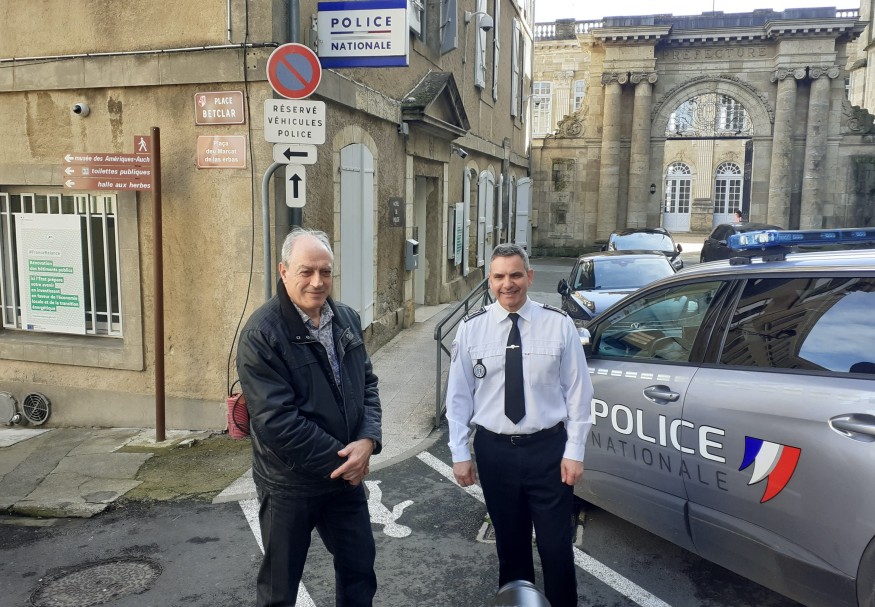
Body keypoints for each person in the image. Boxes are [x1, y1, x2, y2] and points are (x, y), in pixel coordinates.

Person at [237, 228, 382, 607]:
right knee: (279, 589)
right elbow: (277, 421)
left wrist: (368, 439)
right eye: (306, 271)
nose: (317, 282)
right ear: (284, 271)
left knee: (359, 571)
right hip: (290, 485)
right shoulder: (262, 334)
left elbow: (367, 384)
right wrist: (347, 462)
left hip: (343, 482)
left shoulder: (346, 319)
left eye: (325, 271)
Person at [446, 243, 594, 607]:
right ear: (490, 280)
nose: (507, 284)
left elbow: (579, 393)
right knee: (510, 548)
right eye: (499, 276)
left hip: (549, 451)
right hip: (495, 452)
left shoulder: (558, 325)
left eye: (515, 275)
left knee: (556, 547)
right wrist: (459, 452)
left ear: (529, 276)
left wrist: (575, 451)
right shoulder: (472, 329)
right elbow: (459, 396)